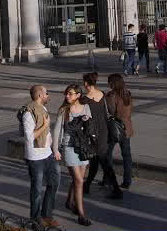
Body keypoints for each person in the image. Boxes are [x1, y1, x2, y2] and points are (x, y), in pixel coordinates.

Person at [54, 84, 93, 226]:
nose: (67, 96)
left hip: (83, 147)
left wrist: (86, 120)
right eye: (66, 93)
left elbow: (89, 127)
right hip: (69, 147)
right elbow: (57, 129)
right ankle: (81, 214)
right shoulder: (64, 110)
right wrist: (55, 149)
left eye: (70, 94)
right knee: (79, 181)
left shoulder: (86, 107)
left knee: (78, 179)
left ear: (78, 95)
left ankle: (69, 201)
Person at [21, 85, 59, 227]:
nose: (48, 95)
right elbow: (29, 137)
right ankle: (35, 220)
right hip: (35, 157)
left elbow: (47, 133)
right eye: (46, 93)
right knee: (37, 190)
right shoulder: (28, 113)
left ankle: (47, 215)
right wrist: (45, 126)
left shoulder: (42, 108)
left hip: (48, 153)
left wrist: (54, 148)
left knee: (54, 183)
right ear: (39, 95)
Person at [81, 71, 120, 199]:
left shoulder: (84, 99)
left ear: (86, 83)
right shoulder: (102, 94)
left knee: (103, 161)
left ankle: (116, 189)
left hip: (93, 133)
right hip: (104, 131)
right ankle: (87, 185)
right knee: (95, 160)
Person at [104, 73, 133, 191]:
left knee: (107, 154)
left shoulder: (111, 95)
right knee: (126, 155)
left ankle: (109, 178)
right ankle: (127, 181)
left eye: (109, 82)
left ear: (113, 83)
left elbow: (110, 111)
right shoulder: (127, 94)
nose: (108, 84)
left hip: (115, 128)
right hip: (127, 127)